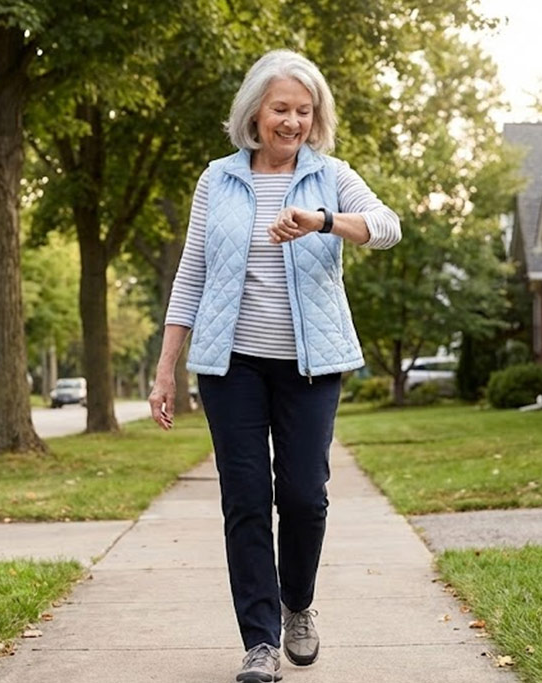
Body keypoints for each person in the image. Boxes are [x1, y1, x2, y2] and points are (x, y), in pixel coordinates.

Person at [148, 49, 400, 682]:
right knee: (246, 501)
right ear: (254, 114)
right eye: (280, 109)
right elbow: (192, 274)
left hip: (311, 367)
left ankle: (298, 605)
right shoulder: (217, 179)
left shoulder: (330, 175)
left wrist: (322, 222)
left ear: (315, 119)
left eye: (303, 111)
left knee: (304, 497)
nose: (291, 122)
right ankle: (259, 641)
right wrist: (165, 369)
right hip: (230, 366)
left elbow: (387, 227)